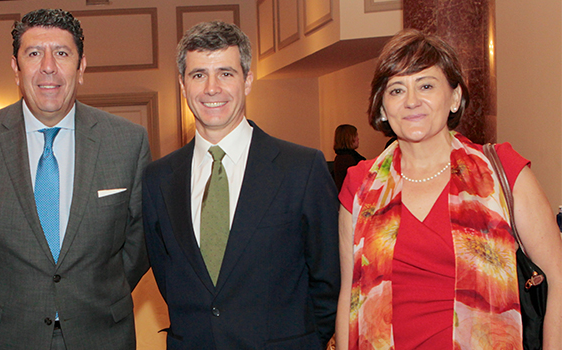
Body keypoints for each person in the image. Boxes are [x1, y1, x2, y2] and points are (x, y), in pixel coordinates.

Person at [336, 29, 562, 349]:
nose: (412, 100)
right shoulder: (359, 186)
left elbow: (558, 277)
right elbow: (350, 297)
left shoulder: (504, 173)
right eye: (397, 90)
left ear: (455, 98)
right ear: (383, 108)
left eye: (426, 85)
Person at [0, 9, 151, 350]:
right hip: (11, 332)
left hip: (102, 331)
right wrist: (12, 293)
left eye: (63, 53)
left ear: (81, 67)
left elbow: (140, 240)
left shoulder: (128, 141)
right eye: (34, 53)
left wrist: (97, 290)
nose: (48, 66)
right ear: (16, 67)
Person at [142, 21, 340, 349]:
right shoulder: (158, 179)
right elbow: (170, 278)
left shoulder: (301, 169)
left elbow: (329, 279)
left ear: (247, 80)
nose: (211, 88)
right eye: (198, 75)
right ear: (182, 83)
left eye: (226, 73)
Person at [333, 124, 366, 191]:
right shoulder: (346, 159)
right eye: (356, 135)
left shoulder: (342, 157)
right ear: (349, 138)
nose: (358, 138)